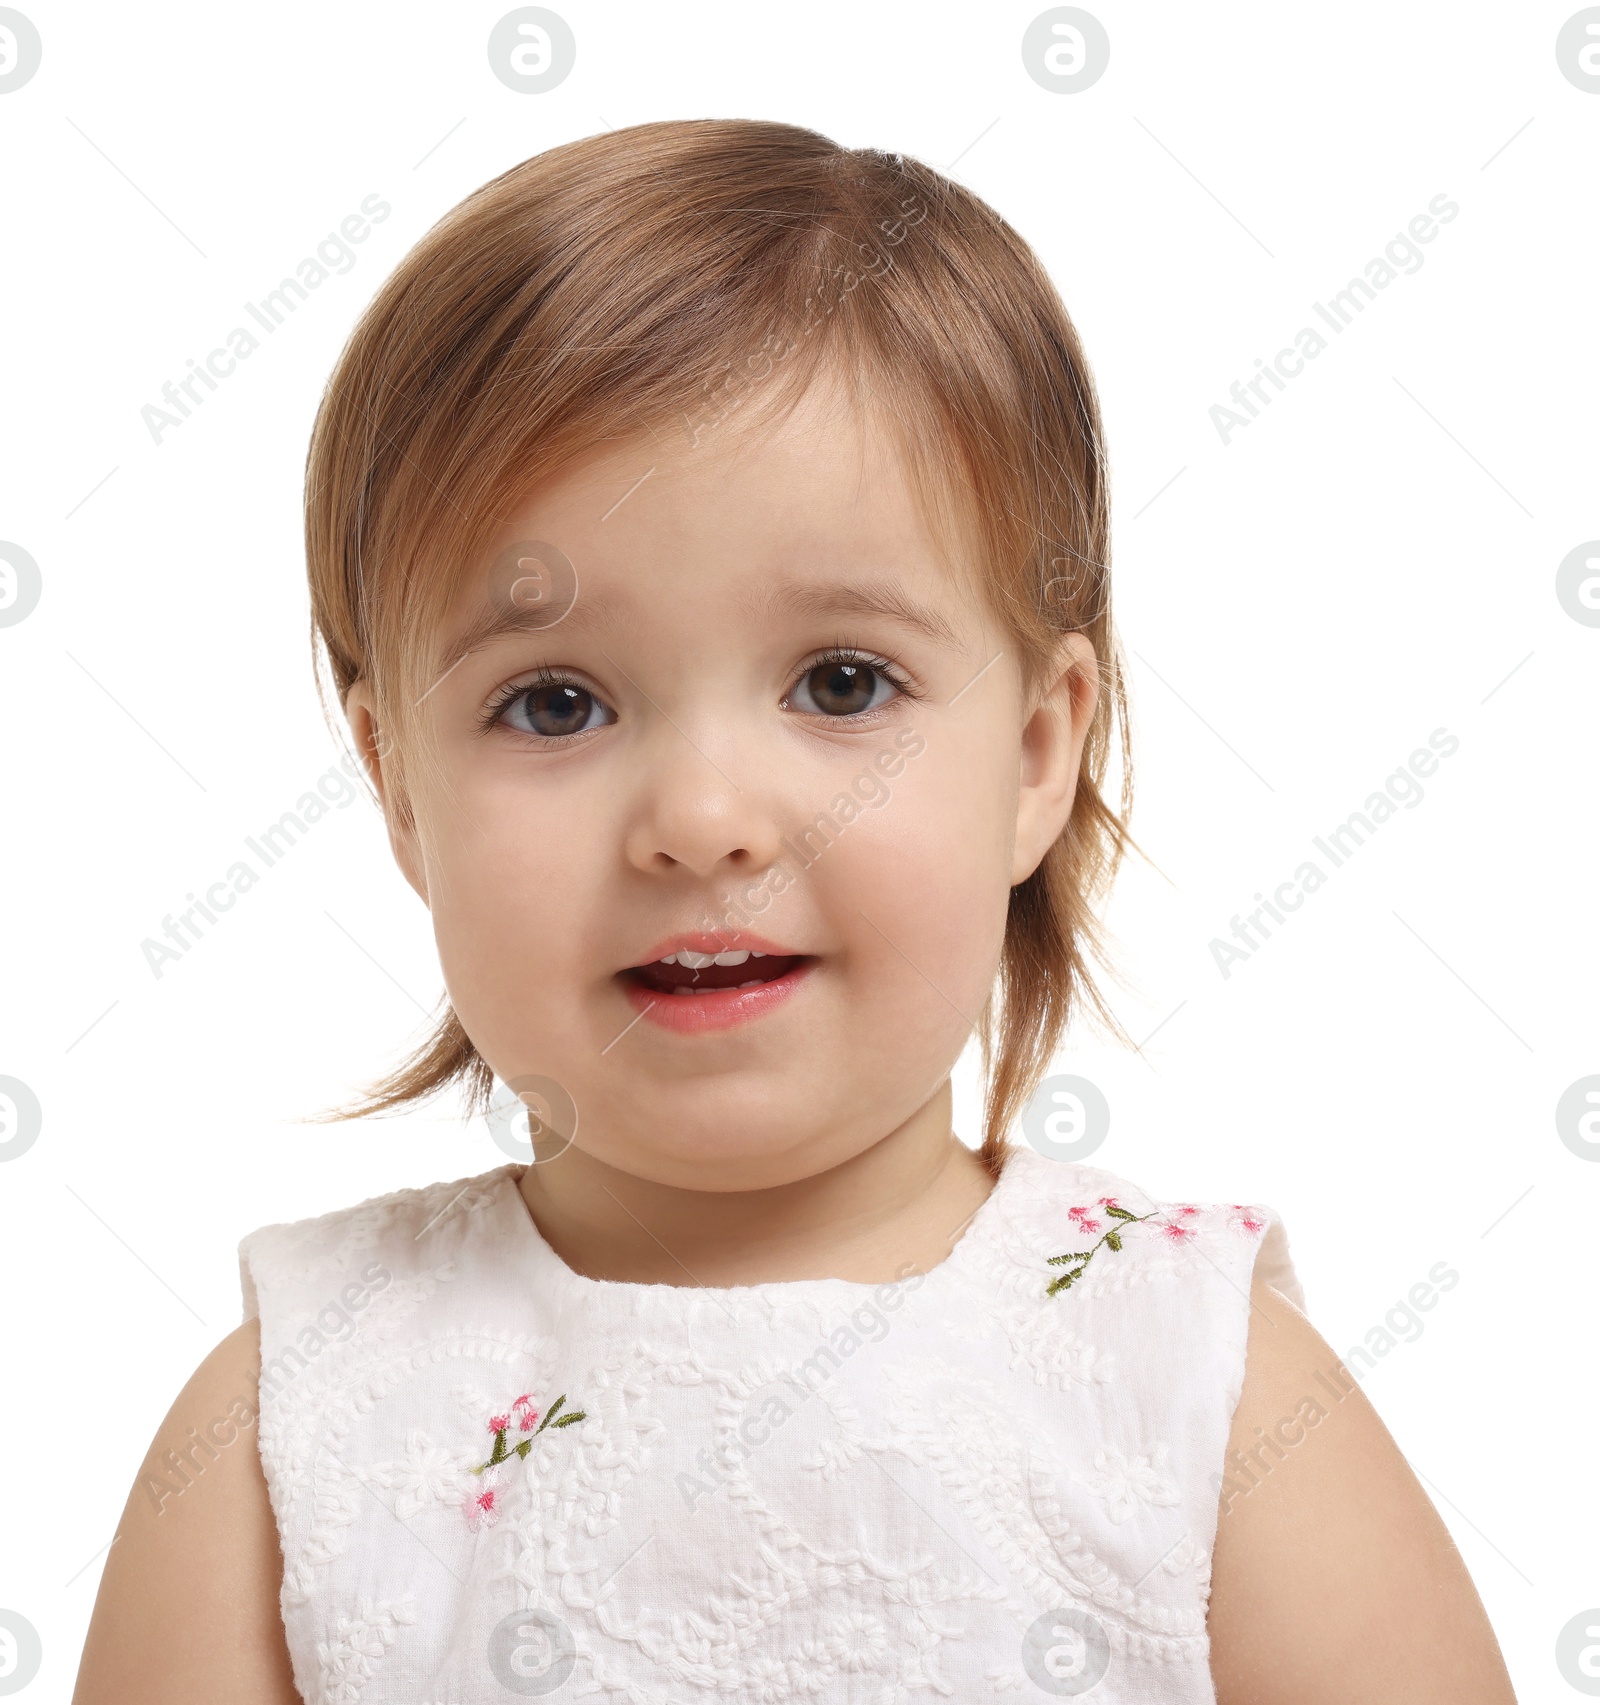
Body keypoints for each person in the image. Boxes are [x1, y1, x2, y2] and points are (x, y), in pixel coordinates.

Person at [75, 118, 1516, 1704]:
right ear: (399, 785)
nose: (703, 821)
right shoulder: (296, 1428)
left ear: (1038, 755)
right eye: (554, 704)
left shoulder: (1193, 1391)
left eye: (843, 682)